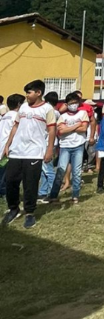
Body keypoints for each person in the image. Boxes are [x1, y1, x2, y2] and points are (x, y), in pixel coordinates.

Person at [2, 80, 56, 229]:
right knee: (11, 181)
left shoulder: (47, 109)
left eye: (29, 92)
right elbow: (16, 125)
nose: (27, 95)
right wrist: (8, 144)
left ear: (38, 93)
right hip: (17, 151)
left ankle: (30, 213)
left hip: (34, 152)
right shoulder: (24, 107)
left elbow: (52, 130)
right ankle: (13, 209)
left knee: (30, 184)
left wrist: (49, 149)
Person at [48, 92, 90, 204]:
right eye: (71, 103)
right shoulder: (63, 116)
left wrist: (68, 128)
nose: (74, 105)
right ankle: (53, 196)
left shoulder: (83, 113)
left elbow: (84, 129)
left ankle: (75, 195)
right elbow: (60, 131)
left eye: (76, 103)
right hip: (65, 146)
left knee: (76, 171)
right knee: (60, 170)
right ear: (67, 104)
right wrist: (77, 125)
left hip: (78, 145)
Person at [0, 94, 24, 200]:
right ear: (19, 104)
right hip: (9, 147)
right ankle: (4, 192)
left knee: (3, 171)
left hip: (2, 145)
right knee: (7, 173)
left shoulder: (5, 116)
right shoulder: (16, 116)